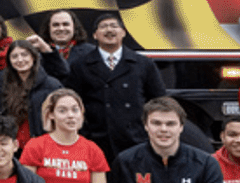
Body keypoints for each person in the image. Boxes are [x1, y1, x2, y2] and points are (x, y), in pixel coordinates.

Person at [63, 12, 168, 165]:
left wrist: (150, 131)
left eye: (114, 26)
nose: (109, 30)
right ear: (95, 35)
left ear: (123, 33)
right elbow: (72, 102)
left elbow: (159, 101)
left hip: (135, 139)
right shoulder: (81, 65)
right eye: (103, 27)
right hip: (96, 140)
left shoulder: (143, 64)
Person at [0, 39, 62, 146]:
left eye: (24, 55)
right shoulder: (5, 86)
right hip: (15, 149)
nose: (20, 60)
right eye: (14, 56)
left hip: (44, 147)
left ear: (33, 57)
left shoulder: (51, 85)